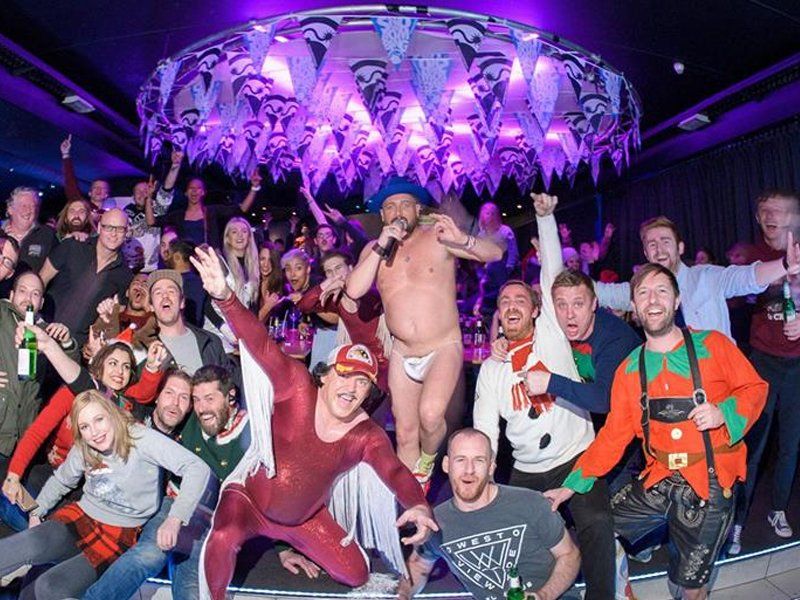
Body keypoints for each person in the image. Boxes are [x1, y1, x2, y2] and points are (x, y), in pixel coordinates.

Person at [190, 246, 436, 599]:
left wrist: (417, 503)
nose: (352, 388)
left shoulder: (364, 434)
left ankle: (289, 543)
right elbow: (260, 344)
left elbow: (395, 471)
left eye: (363, 382)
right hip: (248, 501)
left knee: (356, 573)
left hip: (304, 519)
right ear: (325, 375)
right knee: (223, 535)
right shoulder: (297, 387)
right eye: (345, 375)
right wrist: (225, 297)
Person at [545, 263, 768, 600]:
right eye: (643, 293)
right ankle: (621, 589)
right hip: (658, 479)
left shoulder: (713, 344)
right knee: (600, 527)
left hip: (709, 484)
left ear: (676, 300)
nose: (652, 300)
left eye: (661, 291)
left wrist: (723, 412)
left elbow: (755, 388)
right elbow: (613, 437)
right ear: (633, 307)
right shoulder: (629, 370)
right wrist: (571, 484)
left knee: (689, 587)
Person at [473, 194, 617, 600]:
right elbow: (485, 432)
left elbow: (553, 270)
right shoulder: (492, 369)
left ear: (537, 310)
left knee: (597, 523)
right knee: (518, 542)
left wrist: (546, 219)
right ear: (498, 314)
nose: (512, 306)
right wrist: (483, 479)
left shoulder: (552, 336)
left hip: (576, 455)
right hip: (528, 470)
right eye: (504, 302)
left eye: (521, 300)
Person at [346, 177, 503, 488]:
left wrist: (463, 239)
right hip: (402, 351)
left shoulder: (438, 238)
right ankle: (410, 495)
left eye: (405, 204)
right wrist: (380, 245)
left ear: (418, 210)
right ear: (382, 216)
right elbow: (354, 290)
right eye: (390, 207)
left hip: (442, 346)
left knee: (430, 416)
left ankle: (427, 463)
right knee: (405, 433)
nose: (398, 212)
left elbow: (495, 254)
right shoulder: (375, 250)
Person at [0, 390, 211, 600]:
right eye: (84, 427)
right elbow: (62, 480)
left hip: (119, 533)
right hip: (81, 516)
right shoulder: (84, 446)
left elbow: (197, 468)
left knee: (49, 588)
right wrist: (36, 512)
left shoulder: (139, 437)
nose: (94, 432)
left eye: (98, 420)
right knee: (29, 543)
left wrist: (175, 518)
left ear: (111, 414)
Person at [82, 367, 228, 600]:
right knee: (151, 554)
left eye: (184, 398)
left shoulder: (191, 430)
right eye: (169, 393)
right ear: (157, 396)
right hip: (123, 511)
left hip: (181, 508)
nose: (175, 403)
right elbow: (90, 390)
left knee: (191, 588)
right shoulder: (134, 416)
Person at [400, 429, 580, 600]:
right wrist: (402, 594)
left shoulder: (530, 502)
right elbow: (419, 566)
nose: (469, 469)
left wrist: (543, 596)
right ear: (447, 465)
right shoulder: (435, 522)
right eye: (460, 460)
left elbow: (570, 555)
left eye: (479, 460)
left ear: (491, 467)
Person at [594, 215, 800, 340]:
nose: (659, 249)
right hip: (674, 382)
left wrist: (784, 264)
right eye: (652, 244)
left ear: (680, 247)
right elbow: (599, 292)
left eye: (665, 241)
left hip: (717, 381)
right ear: (646, 254)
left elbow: (747, 277)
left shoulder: (706, 277)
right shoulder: (640, 290)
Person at [731, 190, 800, 552]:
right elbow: (735, 293)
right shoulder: (752, 257)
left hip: (797, 366)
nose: (770, 217)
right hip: (762, 362)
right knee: (754, 445)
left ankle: (778, 509)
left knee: (790, 443)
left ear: (793, 217)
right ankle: (738, 520)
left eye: (778, 211)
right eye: (764, 212)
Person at [0, 273, 78, 531]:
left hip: (22, 442)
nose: (28, 298)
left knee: (23, 507)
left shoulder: (44, 333)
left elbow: (73, 375)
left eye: (35, 294)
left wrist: (67, 342)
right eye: (23, 291)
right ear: (12, 295)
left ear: (41, 302)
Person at [297, 250, 389, 397]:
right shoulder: (337, 301)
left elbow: (360, 299)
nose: (335, 274)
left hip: (384, 364)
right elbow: (304, 305)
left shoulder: (370, 293)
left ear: (351, 268)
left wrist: (345, 284)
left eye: (338, 268)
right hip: (357, 361)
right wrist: (327, 283)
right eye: (329, 271)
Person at [39, 208, 134, 346]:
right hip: (44, 332)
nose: (114, 234)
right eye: (109, 227)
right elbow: (41, 280)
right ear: (100, 227)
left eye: (120, 229)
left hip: (76, 346)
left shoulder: (124, 274)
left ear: (126, 232)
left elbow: (118, 314)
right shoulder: (72, 246)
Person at [147, 269, 232, 378]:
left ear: (182, 302)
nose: (165, 296)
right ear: (151, 306)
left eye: (171, 291)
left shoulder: (211, 342)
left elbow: (227, 384)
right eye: (158, 293)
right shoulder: (143, 346)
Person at [146, 174, 258, 249]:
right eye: (191, 188)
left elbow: (242, 209)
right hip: (186, 264)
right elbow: (151, 222)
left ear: (203, 192)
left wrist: (254, 187)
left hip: (208, 264)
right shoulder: (178, 215)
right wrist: (149, 197)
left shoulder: (212, 211)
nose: (194, 191)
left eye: (198, 188)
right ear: (186, 193)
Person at [203, 217, 260, 353]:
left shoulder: (252, 267)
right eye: (234, 232)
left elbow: (250, 307)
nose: (240, 235)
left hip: (239, 337)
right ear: (227, 238)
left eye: (244, 231)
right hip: (217, 335)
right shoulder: (220, 263)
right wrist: (227, 331)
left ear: (249, 237)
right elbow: (206, 306)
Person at [472, 201, 520, 320]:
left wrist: (508, 268)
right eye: (485, 213)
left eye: (490, 213)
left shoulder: (505, 231)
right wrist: (481, 273)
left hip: (505, 271)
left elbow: (513, 252)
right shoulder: (481, 235)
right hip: (489, 273)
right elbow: (477, 257)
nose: (487, 216)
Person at [3, 186, 57, 274]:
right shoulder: (1, 234)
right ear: (10, 210)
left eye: (32, 206)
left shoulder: (47, 235)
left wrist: (72, 238)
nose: (28, 211)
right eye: (23, 206)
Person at [61, 135, 114, 218]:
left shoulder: (108, 216)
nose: (98, 190)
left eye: (102, 188)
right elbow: (71, 186)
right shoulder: (82, 206)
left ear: (106, 195)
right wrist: (66, 155)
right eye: (95, 187)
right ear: (90, 193)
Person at [166, 239, 206, 327]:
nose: (166, 258)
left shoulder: (171, 283)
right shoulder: (201, 282)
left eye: (168, 253)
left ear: (177, 257)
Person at [257, 242, 284, 323]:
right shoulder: (250, 284)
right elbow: (249, 323)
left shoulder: (277, 284)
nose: (266, 264)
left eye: (270, 260)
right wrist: (267, 306)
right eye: (262, 259)